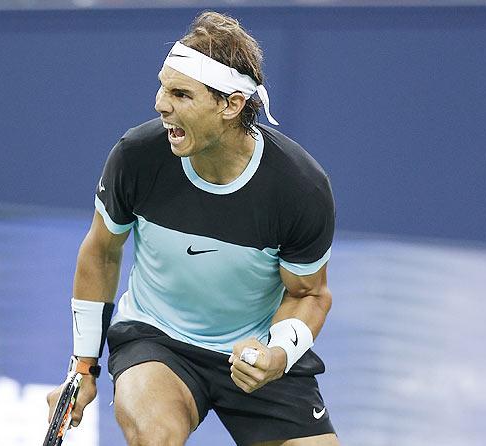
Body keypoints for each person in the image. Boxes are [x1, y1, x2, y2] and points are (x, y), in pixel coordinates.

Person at [47, 11, 339, 446]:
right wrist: (83, 367)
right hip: (157, 339)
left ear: (230, 105)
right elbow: (102, 251)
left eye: (181, 93)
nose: (161, 104)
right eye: (163, 87)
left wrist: (277, 355)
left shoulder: (299, 187)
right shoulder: (138, 156)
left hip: (253, 351)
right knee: (155, 436)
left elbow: (308, 293)